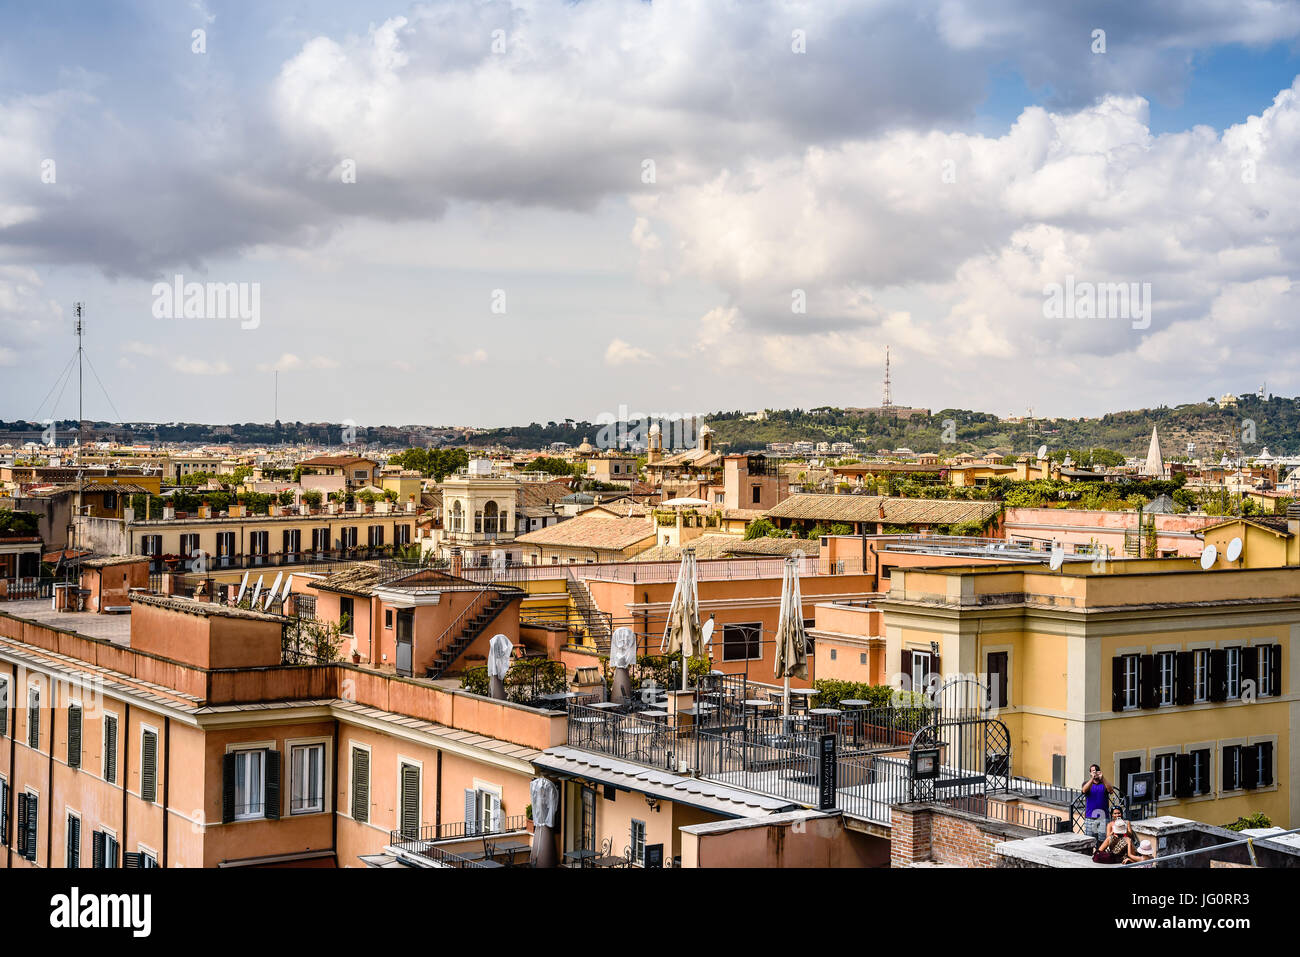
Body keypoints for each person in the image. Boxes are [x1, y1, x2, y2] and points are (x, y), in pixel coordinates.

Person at [1080, 764, 1118, 846]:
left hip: (1103, 817)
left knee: (1103, 841)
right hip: (1090, 817)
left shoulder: (1104, 783)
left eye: (1096, 771)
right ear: (1090, 773)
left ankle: (1100, 856)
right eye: (1093, 771)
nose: (1095, 773)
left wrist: (1102, 778)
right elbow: (1084, 790)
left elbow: (1111, 790)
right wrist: (1092, 779)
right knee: (1089, 840)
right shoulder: (1087, 783)